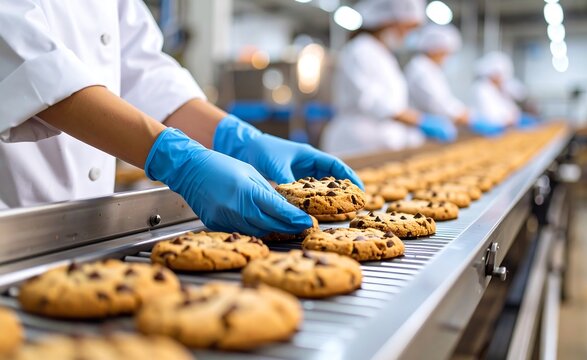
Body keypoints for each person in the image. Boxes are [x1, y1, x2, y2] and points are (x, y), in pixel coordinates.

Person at [0, 0, 362, 237]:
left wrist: (237, 139)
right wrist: (176, 159)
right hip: (11, 222)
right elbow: (26, 68)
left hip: (87, 230)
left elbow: (141, 71)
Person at [321, 0, 456, 157]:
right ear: (387, 21)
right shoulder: (361, 50)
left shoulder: (383, 54)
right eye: (406, 27)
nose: (408, 34)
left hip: (380, 142)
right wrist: (420, 121)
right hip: (357, 142)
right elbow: (372, 100)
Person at [404, 24, 469, 125]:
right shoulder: (420, 69)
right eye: (444, 53)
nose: (446, 57)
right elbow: (438, 105)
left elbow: (445, 99)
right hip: (419, 131)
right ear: (433, 49)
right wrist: (469, 118)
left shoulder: (431, 69)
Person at [473, 51, 537, 134]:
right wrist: (509, 120)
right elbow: (491, 116)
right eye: (500, 75)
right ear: (493, 74)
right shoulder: (481, 89)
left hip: (504, 128)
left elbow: (520, 94)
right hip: (491, 130)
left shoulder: (501, 87)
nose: (503, 78)